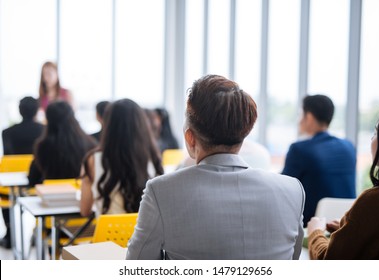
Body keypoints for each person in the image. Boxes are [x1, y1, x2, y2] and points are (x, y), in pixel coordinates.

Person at [126, 75, 305, 260]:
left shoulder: (161, 191)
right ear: (245, 131)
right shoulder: (293, 190)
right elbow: (294, 258)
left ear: (190, 137)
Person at [307, 106, 379, 259]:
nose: (372, 139)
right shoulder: (348, 146)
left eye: (376, 132)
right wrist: (355, 229)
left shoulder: (376, 200)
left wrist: (315, 232)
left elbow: (330, 263)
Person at [80, 99, 164, 217]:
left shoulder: (92, 160)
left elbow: (85, 211)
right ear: (141, 125)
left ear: (108, 125)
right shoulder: (152, 157)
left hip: (108, 234)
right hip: (146, 234)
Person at [282, 94, 356, 226]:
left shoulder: (299, 149)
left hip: (311, 228)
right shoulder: (349, 147)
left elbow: (282, 189)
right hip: (345, 225)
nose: (299, 120)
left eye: (301, 115)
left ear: (309, 117)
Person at [1, 96, 44, 248]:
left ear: (19, 111)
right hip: (37, 181)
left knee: (5, 197)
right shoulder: (44, 130)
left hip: (11, 184)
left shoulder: (7, 132)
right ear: (37, 110)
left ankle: (9, 233)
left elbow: (8, 157)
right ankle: (38, 231)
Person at [28, 101, 96, 186]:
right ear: (72, 116)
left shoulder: (42, 146)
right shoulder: (89, 143)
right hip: (80, 193)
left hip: (51, 195)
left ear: (48, 119)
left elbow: (33, 179)